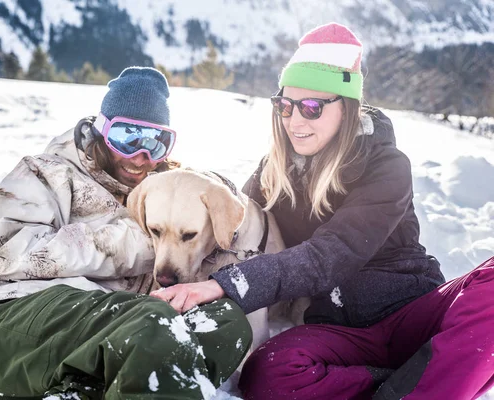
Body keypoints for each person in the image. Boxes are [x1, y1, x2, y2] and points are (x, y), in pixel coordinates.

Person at [151, 23, 494, 399]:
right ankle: (405, 380)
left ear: (346, 108)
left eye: (312, 107)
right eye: (285, 105)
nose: (295, 121)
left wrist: (227, 284)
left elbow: (332, 254)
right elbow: (242, 226)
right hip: (339, 332)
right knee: (268, 374)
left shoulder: (387, 166)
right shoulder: (275, 171)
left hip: (411, 314)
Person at [0, 66, 252, 400]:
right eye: (126, 136)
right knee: (155, 320)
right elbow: (10, 250)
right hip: (4, 325)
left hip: (107, 335)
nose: (140, 155)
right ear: (101, 131)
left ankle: (81, 391)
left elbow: (221, 208)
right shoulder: (47, 172)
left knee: (228, 322)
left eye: (155, 141)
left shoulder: (165, 191)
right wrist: (145, 239)